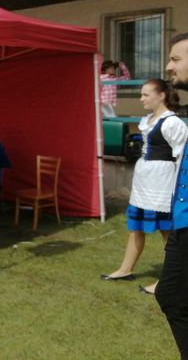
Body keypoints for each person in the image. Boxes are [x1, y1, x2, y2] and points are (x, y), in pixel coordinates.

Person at [101, 79, 187, 294]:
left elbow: (181, 158)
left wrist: (178, 191)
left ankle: (166, 281)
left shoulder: (172, 123)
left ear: (161, 95)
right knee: (136, 227)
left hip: (162, 185)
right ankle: (125, 269)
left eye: (146, 95)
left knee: (168, 234)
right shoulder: (148, 120)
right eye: (141, 94)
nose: (141, 99)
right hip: (144, 184)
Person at [157, 32, 188, 357]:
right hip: (181, 217)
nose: (168, 66)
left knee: (173, 296)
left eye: (176, 59)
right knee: (171, 296)